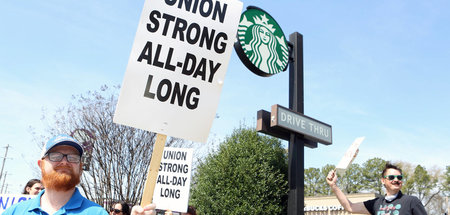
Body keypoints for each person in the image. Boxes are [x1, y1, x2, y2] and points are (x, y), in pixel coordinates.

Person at [3, 134, 156, 215]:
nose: (64, 162)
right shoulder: (14, 212)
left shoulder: (97, 214)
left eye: (73, 157)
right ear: (41, 165)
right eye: (55, 156)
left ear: (81, 167)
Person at [326, 163, 427, 215]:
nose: (396, 180)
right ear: (383, 180)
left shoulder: (411, 201)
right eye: (391, 177)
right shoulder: (376, 204)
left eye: (399, 178)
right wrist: (334, 186)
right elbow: (350, 207)